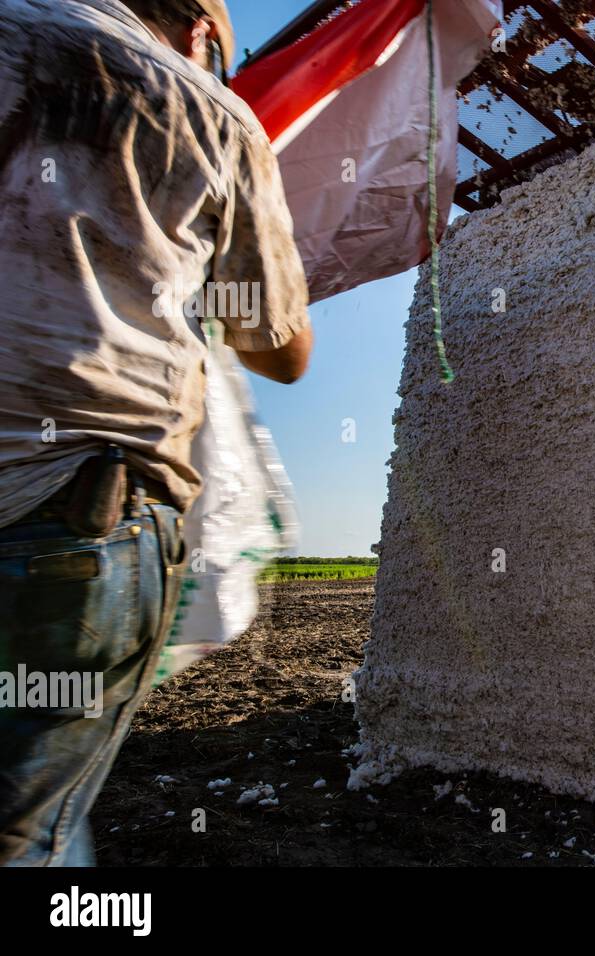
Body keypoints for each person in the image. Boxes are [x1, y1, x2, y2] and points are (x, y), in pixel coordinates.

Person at [0, 0, 313, 866]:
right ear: (205, 33)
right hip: (71, 511)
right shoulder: (208, 107)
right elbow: (281, 351)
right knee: (29, 830)